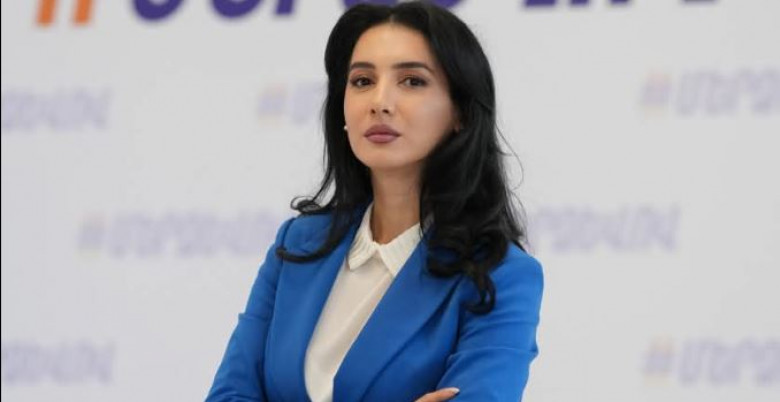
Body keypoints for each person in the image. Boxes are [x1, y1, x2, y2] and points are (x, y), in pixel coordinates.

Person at [206, 2, 543, 401]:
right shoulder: (298, 244)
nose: (379, 102)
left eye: (412, 81)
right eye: (363, 81)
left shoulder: (502, 276)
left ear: (461, 112)